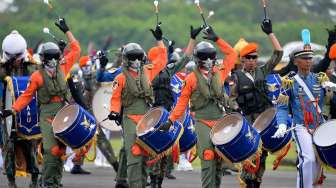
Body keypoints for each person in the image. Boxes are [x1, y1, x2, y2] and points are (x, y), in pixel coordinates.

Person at [1, 17, 80, 188]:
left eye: (55, 57)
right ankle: (48, 182)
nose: (53, 60)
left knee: (60, 151)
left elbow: (76, 49)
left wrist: (67, 30)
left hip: (63, 112)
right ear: (43, 59)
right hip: (46, 114)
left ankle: (55, 181)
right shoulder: (37, 76)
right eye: (49, 57)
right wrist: (12, 110)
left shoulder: (64, 67)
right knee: (51, 151)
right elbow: (27, 96)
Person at [164, 25, 237, 188]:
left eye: (211, 56)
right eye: (205, 57)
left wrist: (217, 39)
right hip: (203, 121)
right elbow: (181, 103)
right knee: (207, 156)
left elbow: (232, 54)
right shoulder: (190, 79)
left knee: (219, 160)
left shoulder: (221, 72)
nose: (209, 60)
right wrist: (171, 120)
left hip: (220, 120)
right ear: (198, 59)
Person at [108, 24, 167, 188]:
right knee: (134, 153)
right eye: (132, 57)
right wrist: (114, 112)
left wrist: (159, 40)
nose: (135, 61)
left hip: (147, 118)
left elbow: (162, 59)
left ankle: (140, 183)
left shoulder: (148, 72)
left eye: (138, 57)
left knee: (145, 155)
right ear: (126, 59)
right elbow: (115, 98)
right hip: (129, 118)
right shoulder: (120, 78)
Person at [149, 26, 202, 187]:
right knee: (150, 148)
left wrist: (192, 39)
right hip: (150, 114)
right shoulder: (144, 72)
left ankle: (157, 181)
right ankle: (149, 178)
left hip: (166, 113)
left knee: (164, 148)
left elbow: (185, 59)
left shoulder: (168, 70)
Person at [273, 43, 332, 188]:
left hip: (319, 125)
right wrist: (281, 124)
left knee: (319, 161)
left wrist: (330, 92)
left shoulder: (320, 79)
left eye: (310, 57)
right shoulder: (288, 82)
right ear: (295, 61)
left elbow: (329, 102)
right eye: (304, 58)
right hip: (301, 126)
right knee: (308, 159)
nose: (308, 60)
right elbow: (281, 107)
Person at [232, 18, 283, 188]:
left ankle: (256, 182)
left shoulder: (264, 70)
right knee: (249, 153)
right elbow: (230, 99)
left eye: (254, 57)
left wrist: (270, 33)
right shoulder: (236, 77)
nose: (253, 60)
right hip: (248, 120)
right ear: (242, 60)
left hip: (265, 119)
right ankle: (248, 180)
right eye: (249, 57)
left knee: (262, 155)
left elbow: (279, 53)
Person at [0, 30, 39, 188]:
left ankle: (35, 180)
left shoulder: (33, 68)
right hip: (7, 114)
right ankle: (11, 182)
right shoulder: (1, 69)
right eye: (12, 56)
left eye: (17, 56)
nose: (15, 60)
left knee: (31, 146)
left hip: (28, 112)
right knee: (8, 147)